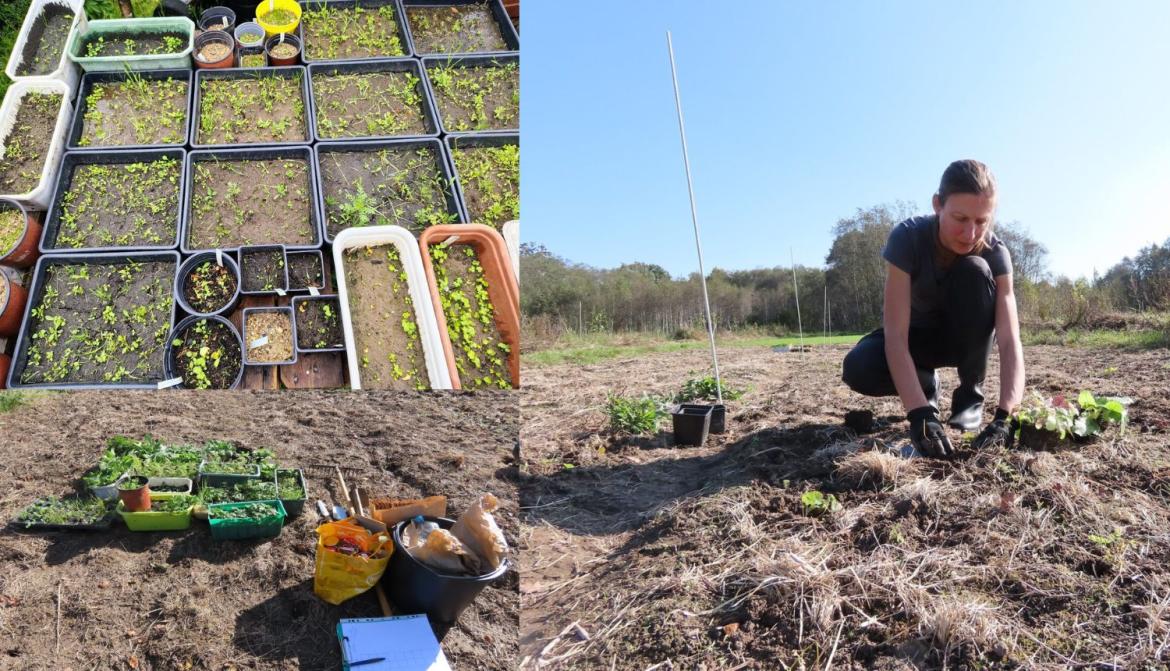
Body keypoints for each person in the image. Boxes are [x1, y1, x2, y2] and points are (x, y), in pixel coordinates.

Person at [841, 160, 1024, 457]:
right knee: (858, 367)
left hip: (966, 342)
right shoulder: (908, 238)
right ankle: (926, 387)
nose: (970, 234)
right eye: (960, 218)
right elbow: (895, 336)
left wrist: (1007, 416)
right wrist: (919, 413)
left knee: (976, 269)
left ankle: (969, 399)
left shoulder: (995, 252)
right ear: (938, 205)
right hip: (916, 339)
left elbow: (1009, 339)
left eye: (981, 221)